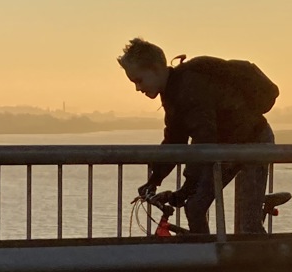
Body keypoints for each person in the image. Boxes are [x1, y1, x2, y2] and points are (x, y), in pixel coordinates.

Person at [117, 38, 281, 234]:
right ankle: (207, 250)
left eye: (139, 80)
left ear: (155, 69)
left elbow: (203, 141)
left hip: (254, 141)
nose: (137, 88)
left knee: (247, 224)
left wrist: (188, 186)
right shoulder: (172, 92)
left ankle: (263, 254)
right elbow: (175, 141)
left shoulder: (189, 86)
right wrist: (155, 179)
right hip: (226, 147)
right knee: (195, 207)